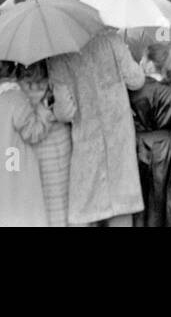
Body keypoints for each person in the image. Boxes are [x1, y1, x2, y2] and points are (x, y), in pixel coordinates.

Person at [47, 24, 146, 225]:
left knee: (86, 211)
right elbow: (136, 81)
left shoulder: (59, 57)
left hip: (88, 144)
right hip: (119, 139)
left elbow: (66, 111)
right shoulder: (112, 41)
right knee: (122, 208)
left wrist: (51, 112)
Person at [0, 62, 48, 227]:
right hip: (15, 168)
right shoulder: (15, 98)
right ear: (14, 70)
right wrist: (44, 109)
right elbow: (33, 132)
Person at [128, 42, 171, 227]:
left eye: (143, 58)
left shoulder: (131, 90)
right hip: (167, 149)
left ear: (150, 64)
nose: (140, 61)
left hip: (138, 148)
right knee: (165, 202)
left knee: (140, 203)